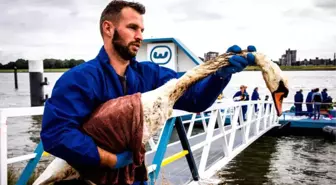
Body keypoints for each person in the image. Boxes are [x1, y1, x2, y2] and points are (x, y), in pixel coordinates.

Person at [40, 1, 257, 184]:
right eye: (133, 28)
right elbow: (56, 134)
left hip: (135, 178)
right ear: (108, 28)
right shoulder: (79, 79)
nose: (140, 36)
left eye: (142, 30)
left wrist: (219, 76)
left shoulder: (150, 75)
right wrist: (110, 160)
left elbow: (195, 100)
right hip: (92, 179)